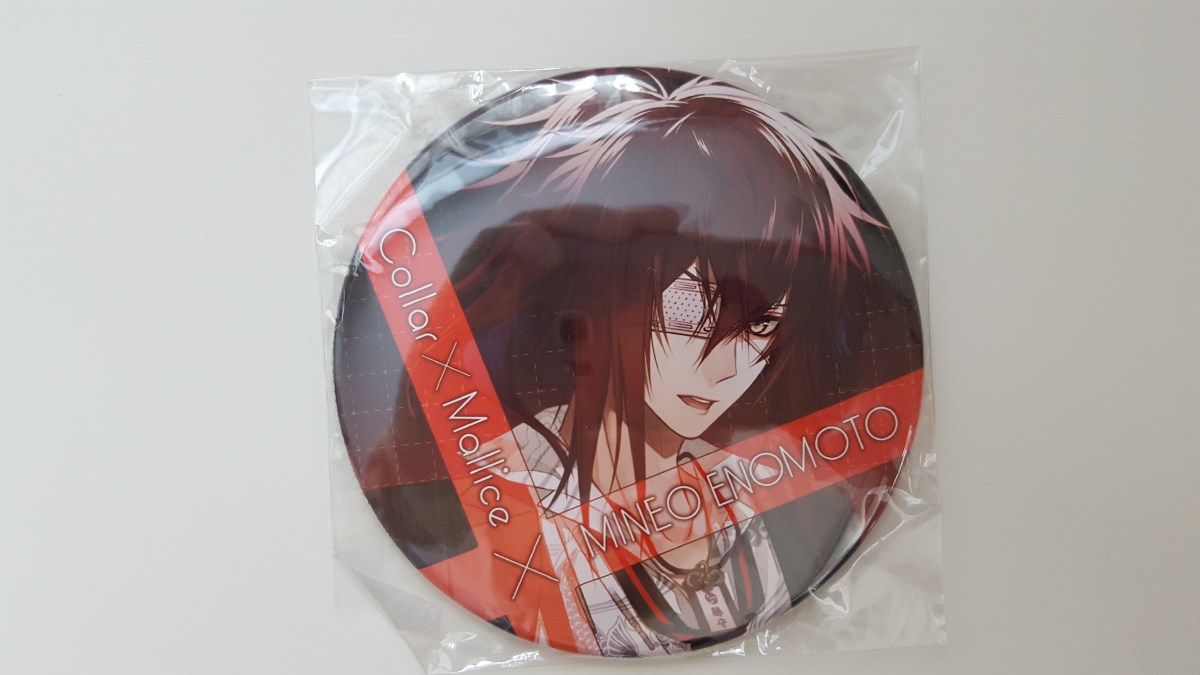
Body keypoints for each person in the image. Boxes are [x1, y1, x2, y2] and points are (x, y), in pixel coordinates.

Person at [422, 68, 901, 655]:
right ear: (605, 287)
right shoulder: (508, 488)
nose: (724, 368)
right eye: (689, 307)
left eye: (760, 326)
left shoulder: (746, 491)